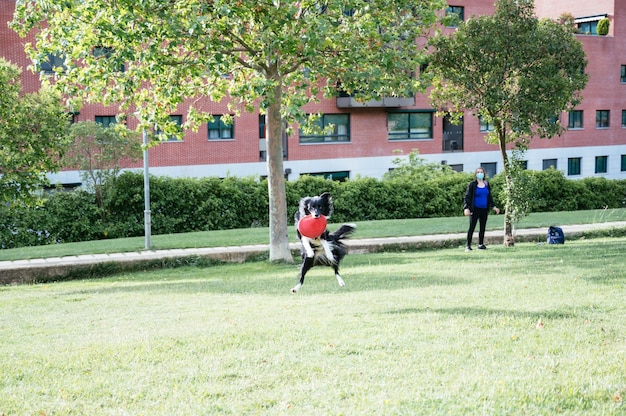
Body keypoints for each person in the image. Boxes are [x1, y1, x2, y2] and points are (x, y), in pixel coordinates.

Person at [463, 167, 500, 251]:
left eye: (481, 172)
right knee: (472, 227)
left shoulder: (486, 184)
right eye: (478, 172)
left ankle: (480, 244)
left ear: (484, 173)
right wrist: (466, 208)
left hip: (484, 209)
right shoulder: (472, 184)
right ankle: (468, 246)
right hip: (475, 209)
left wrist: (494, 206)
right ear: (476, 174)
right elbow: (467, 197)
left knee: (482, 227)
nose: (480, 173)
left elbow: (489, 197)